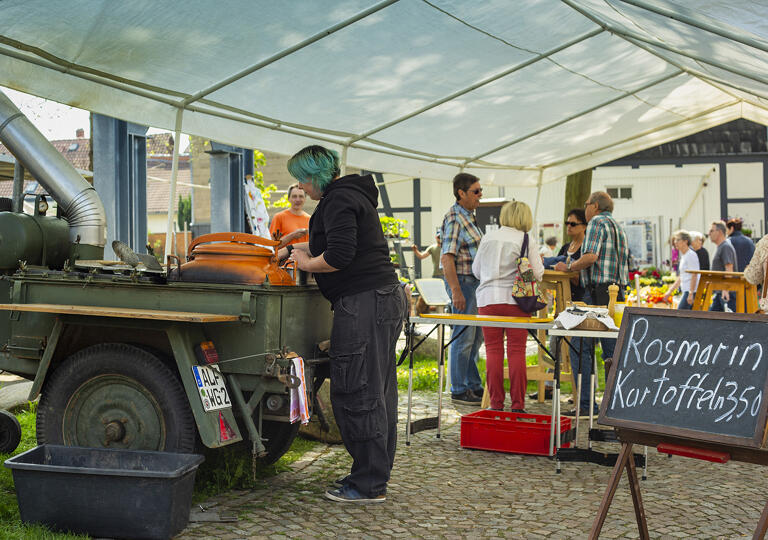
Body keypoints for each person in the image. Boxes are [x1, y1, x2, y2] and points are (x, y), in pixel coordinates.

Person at [281, 145, 406, 504]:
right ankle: (372, 475)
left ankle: (367, 484)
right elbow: (343, 239)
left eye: (303, 179)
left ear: (316, 176)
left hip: (364, 301)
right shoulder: (350, 194)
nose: (301, 187)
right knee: (378, 392)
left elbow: (338, 256)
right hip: (381, 297)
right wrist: (301, 240)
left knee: (357, 391)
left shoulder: (336, 200)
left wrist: (304, 262)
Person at [472, 201, 543, 413]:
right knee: (517, 352)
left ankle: (496, 404)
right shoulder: (526, 239)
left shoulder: (487, 238)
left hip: (487, 300)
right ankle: (518, 405)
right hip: (516, 301)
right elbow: (537, 273)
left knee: (492, 351)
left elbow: (477, 271)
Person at [554, 191, 629, 368]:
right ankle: (613, 395)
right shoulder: (617, 226)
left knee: (579, 347)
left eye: (587, 204)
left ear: (595, 206)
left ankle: (585, 396)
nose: (585, 208)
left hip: (598, 293)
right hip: (617, 293)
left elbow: (590, 257)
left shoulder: (596, 221)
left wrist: (569, 267)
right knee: (612, 350)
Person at [441, 173, 485, 405]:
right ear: (461, 193)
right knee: (463, 336)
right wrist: (456, 291)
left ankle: (472, 384)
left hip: (473, 284)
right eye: (476, 191)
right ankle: (458, 389)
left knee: (475, 337)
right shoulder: (455, 217)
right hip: (463, 283)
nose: (480, 195)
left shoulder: (468, 216)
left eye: (480, 191)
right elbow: (447, 257)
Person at [555, 208, 597, 415]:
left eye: (573, 224)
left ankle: (586, 402)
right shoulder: (565, 247)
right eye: (567, 223)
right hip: (564, 304)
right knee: (560, 346)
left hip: (581, 302)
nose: (569, 227)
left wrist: (568, 270)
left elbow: (583, 279)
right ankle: (580, 397)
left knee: (580, 349)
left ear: (584, 227)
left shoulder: (586, 250)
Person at [662, 230, 699, 310]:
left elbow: (694, 274)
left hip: (691, 291)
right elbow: (681, 277)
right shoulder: (684, 256)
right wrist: (669, 291)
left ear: (685, 241)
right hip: (686, 290)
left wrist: (691, 293)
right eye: (675, 240)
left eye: (678, 240)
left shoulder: (691, 255)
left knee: (679, 314)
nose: (675, 242)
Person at [708, 220, 737, 311]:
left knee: (731, 322)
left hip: (726, 293)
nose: (709, 233)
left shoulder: (725, 247)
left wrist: (725, 289)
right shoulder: (721, 246)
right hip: (720, 293)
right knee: (711, 320)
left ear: (720, 232)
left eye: (711, 231)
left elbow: (729, 269)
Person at [269, 183, 310, 247]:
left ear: (305, 199)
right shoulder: (279, 217)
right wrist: (292, 235)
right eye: (294, 196)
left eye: (301, 196)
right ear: (288, 198)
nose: (298, 200)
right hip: (283, 257)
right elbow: (272, 245)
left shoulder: (310, 219)